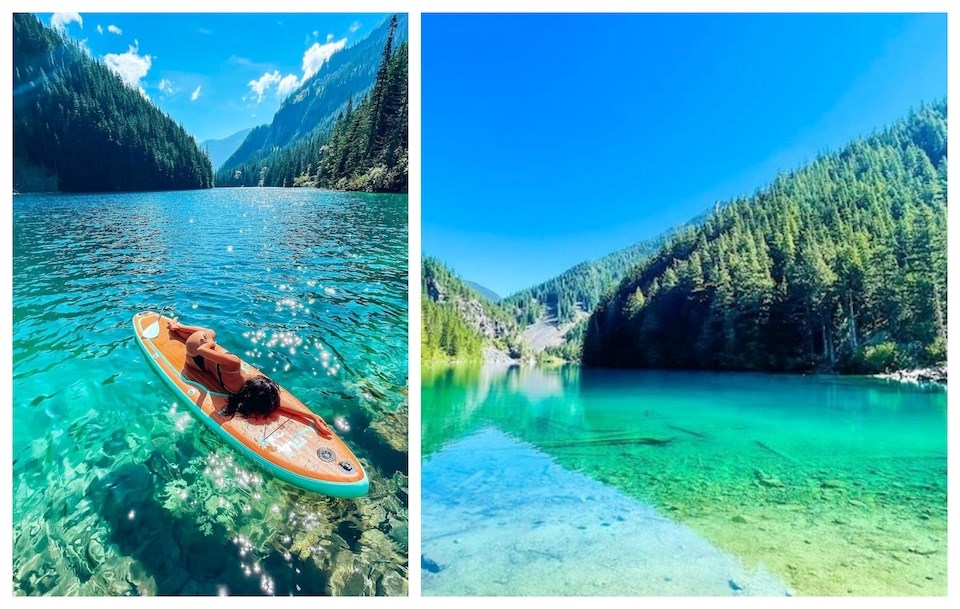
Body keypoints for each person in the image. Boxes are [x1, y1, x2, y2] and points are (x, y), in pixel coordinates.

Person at [166, 318, 333, 438]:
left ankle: (176, 326)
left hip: (194, 356)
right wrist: (311, 416)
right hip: (200, 364)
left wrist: (210, 341)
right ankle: (177, 327)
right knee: (207, 336)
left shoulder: (234, 365)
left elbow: (203, 350)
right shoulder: (239, 393)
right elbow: (275, 404)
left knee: (210, 332)